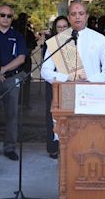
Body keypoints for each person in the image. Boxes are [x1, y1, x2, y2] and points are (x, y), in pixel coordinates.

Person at [0, 4, 28, 161]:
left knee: (12, 115)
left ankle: (10, 147)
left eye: (9, 16)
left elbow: (21, 58)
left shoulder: (17, 36)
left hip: (11, 79)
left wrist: (2, 70)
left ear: (12, 18)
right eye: (3, 15)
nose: (5, 18)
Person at [41, 2, 105, 83]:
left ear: (87, 16)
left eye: (81, 13)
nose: (77, 17)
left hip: (93, 90)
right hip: (66, 91)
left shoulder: (99, 38)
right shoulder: (59, 40)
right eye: (73, 14)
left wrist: (90, 80)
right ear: (68, 18)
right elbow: (45, 71)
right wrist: (67, 78)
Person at [42, 16, 69, 159]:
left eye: (65, 26)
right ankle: (53, 147)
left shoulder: (75, 43)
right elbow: (46, 70)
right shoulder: (51, 44)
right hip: (54, 86)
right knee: (52, 117)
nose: (62, 29)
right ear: (55, 29)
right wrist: (64, 78)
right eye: (59, 27)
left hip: (71, 88)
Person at [13, 13, 38, 109]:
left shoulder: (29, 33)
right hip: (14, 60)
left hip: (26, 60)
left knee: (26, 81)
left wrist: (25, 51)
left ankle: (25, 102)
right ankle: (15, 102)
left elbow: (32, 46)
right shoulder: (14, 32)